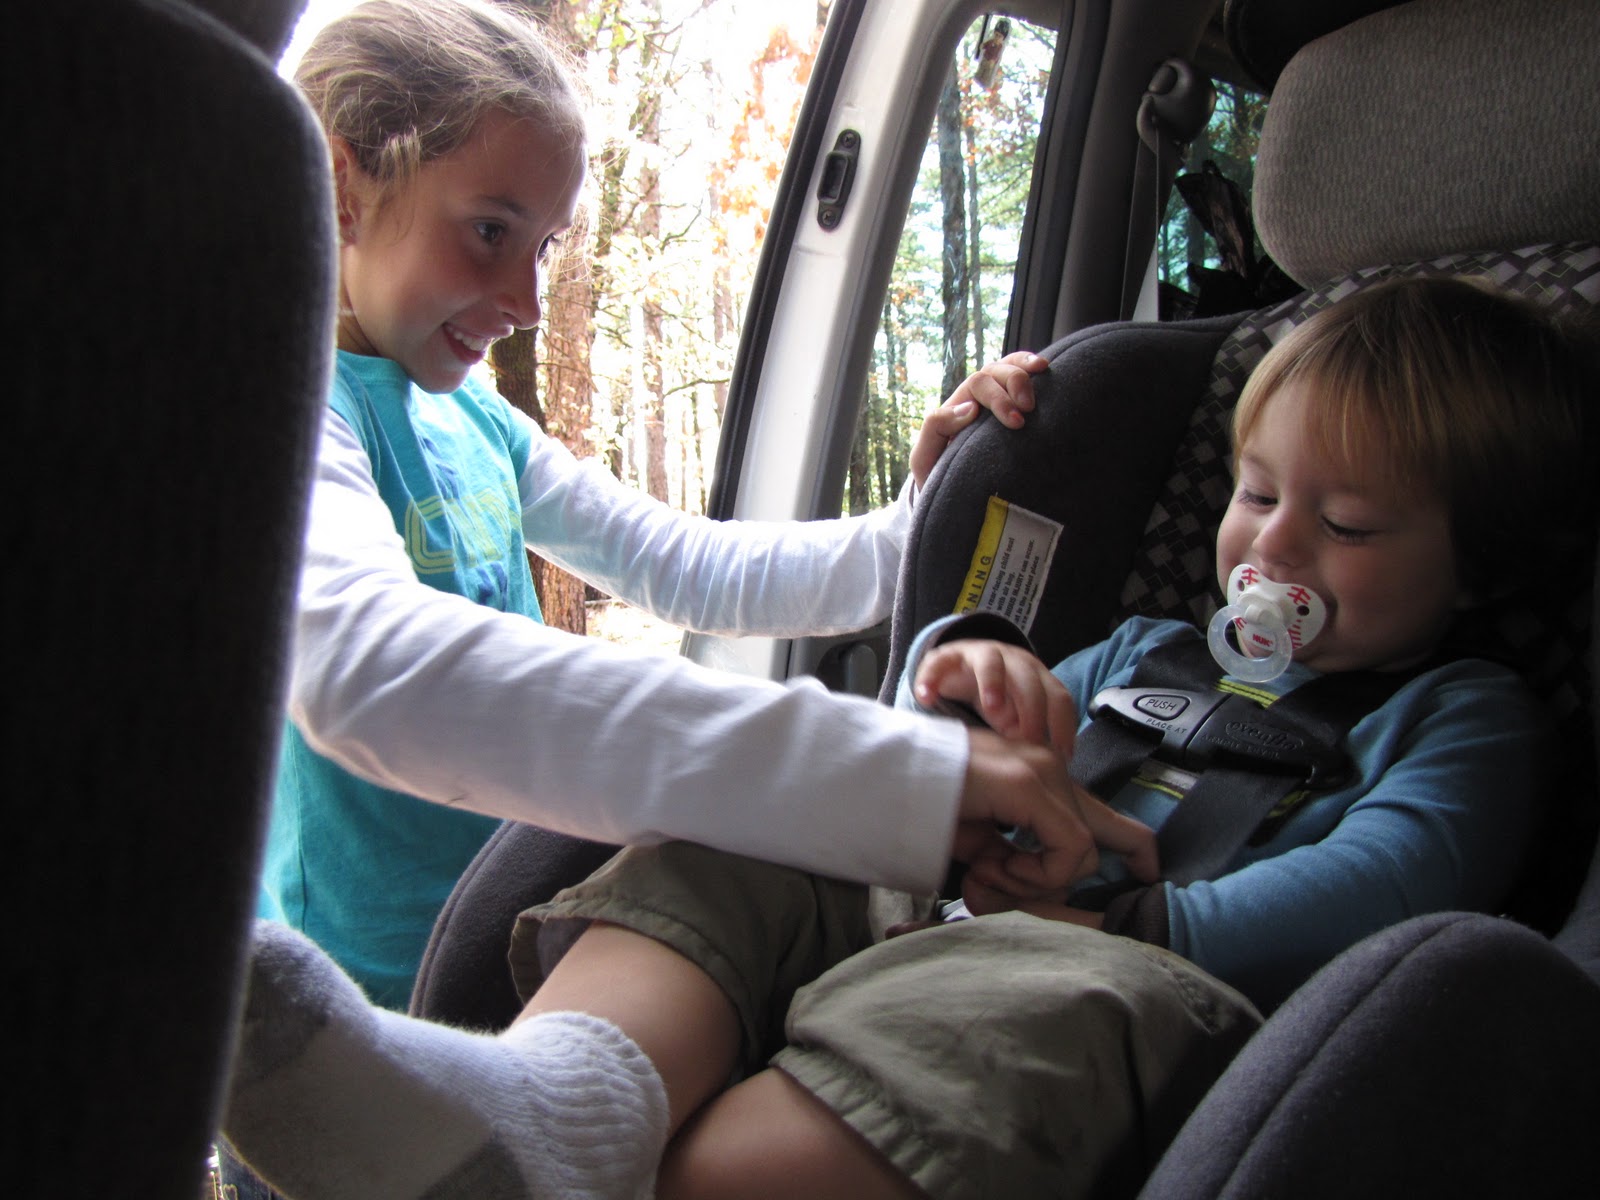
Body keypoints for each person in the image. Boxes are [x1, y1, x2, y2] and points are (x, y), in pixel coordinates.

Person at [220, 276, 1594, 1199]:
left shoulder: (1458, 715)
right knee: (747, 844)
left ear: (1478, 564)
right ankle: (556, 1112)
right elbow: (959, 735)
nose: (1272, 549)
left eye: (1344, 526)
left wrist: (1154, 923)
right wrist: (966, 672)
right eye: (1254, 494)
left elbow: (1397, 881)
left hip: (1138, 980)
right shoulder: (1147, 650)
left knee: (1011, 1015)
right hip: (942, 898)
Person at [220, 1, 1148, 1196]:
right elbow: (372, 670)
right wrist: (902, 780)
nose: (527, 299)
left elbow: (693, 568)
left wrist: (923, 514)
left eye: (544, 247)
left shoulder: (478, 422)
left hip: (528, 954)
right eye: (490, 230)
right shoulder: (290, 405)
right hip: (357, 1040)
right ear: (344, 187)